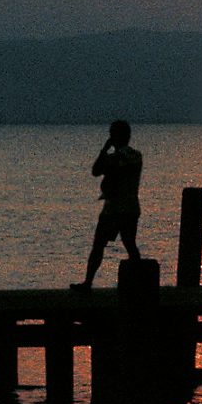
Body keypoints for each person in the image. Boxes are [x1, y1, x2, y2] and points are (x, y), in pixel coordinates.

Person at [72, 119, 143, 289]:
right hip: (124, 208)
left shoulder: (125, 157)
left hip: (118, 209)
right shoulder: (134, 156)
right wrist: (105, 151)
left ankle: (89, 282)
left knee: (105, 244)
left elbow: (98, 170)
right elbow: (96, 171)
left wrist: (105, 150)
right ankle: (139, 282)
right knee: (128, 244)